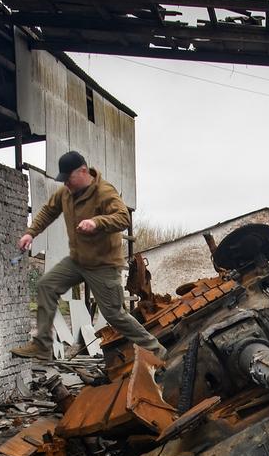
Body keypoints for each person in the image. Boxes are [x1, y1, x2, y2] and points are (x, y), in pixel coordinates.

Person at [11, 151, 167, 361]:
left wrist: (97, 222)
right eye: (63, 180)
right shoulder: (65, 193)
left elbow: (122, 218)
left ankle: (158, 351)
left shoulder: (104, 192)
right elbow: (48, 211)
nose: (66, 184)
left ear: (83, 171)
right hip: (78, 261)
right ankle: (42, 345)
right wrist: (31, 233)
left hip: (103, 264)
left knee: (115, 315)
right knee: (46, 286)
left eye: (69, 179)